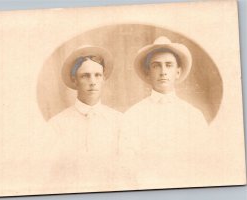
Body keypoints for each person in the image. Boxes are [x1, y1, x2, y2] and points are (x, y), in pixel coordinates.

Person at [121, 36, 209, 189]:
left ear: (178, 72)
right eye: (156, 66)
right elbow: (127, 162)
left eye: (169, 65)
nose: (163, 71)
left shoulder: (193, 116)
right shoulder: (132, 116)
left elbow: (203, 161)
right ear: (148, 72)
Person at [46, 45, 122, 192]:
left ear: (104, 79)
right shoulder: (58, 124)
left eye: (97, 75)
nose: (92, 81)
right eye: (85, 75)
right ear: (74, 80)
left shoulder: (118, 121)